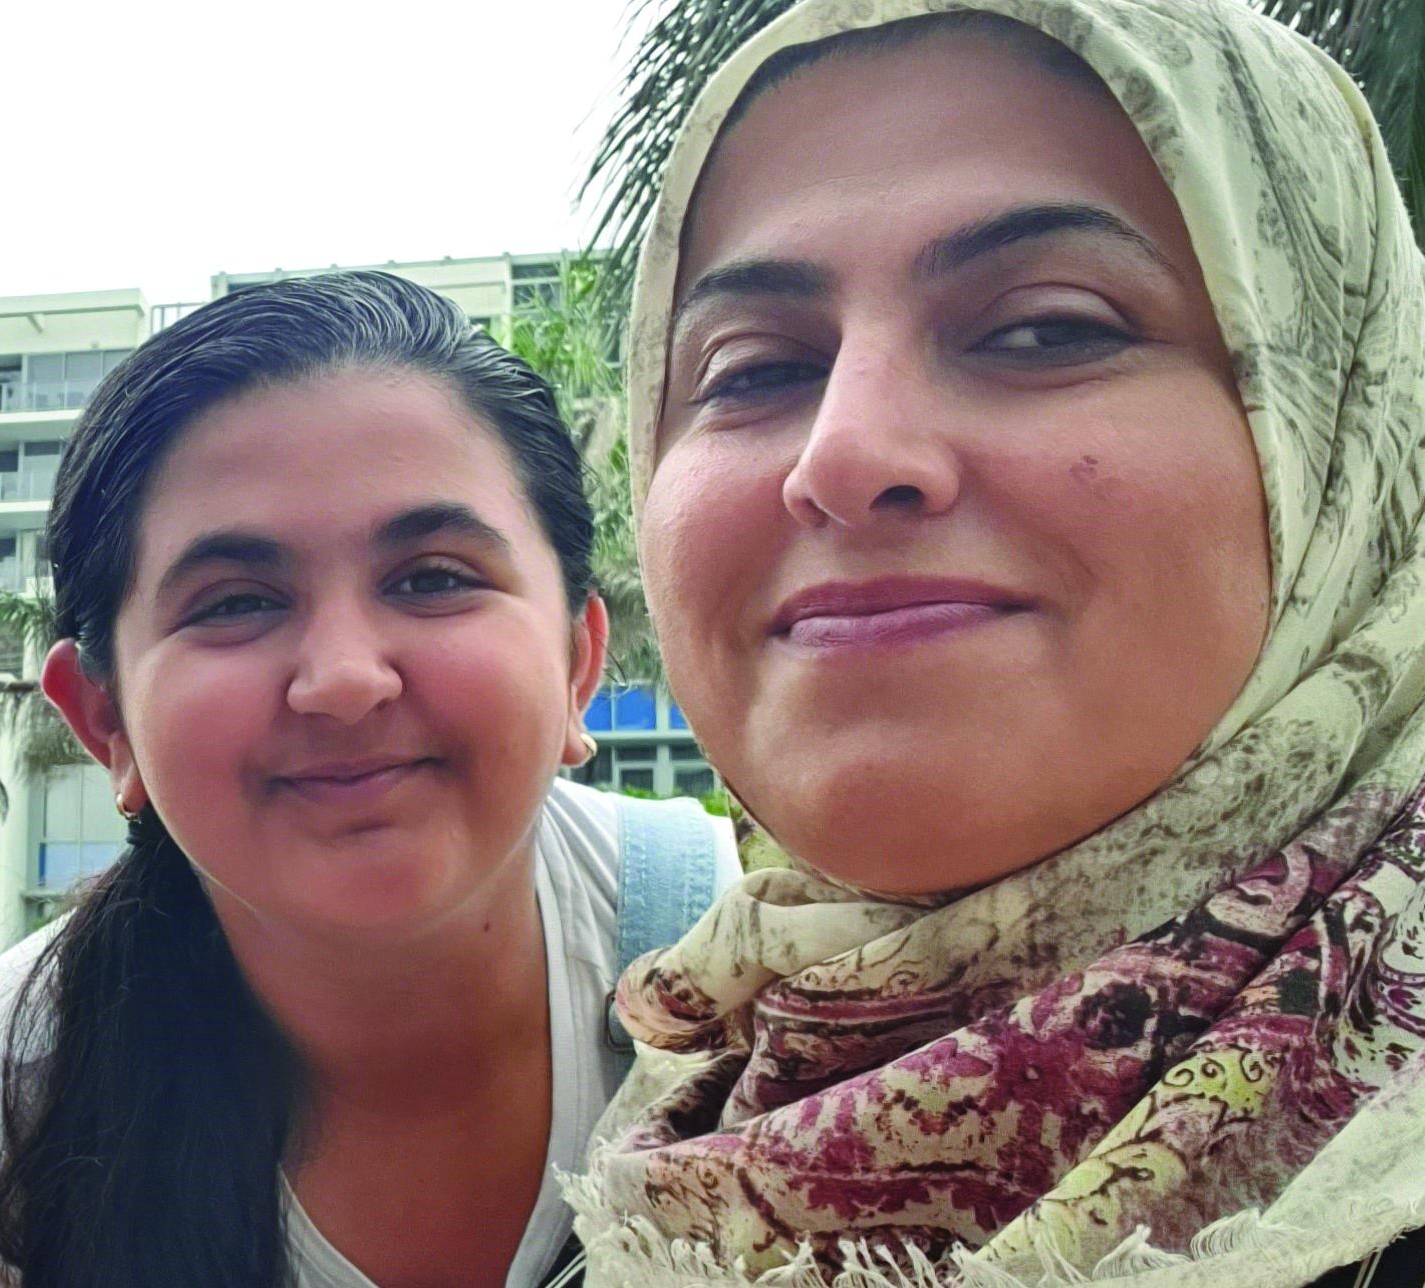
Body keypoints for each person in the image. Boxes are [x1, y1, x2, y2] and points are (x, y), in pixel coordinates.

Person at [565, 1, 1425, 1284]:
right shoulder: (665, 1140)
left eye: (1048, 328)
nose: (843, 455)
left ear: (1339, 443)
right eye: (751, 367)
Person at [0, 271, 740, 1288]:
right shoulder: (8, 1094)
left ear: (575, 665)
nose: (343, 678)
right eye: (237, 600)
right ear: (103, 718)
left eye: (432, 577)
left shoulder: (747, 973)